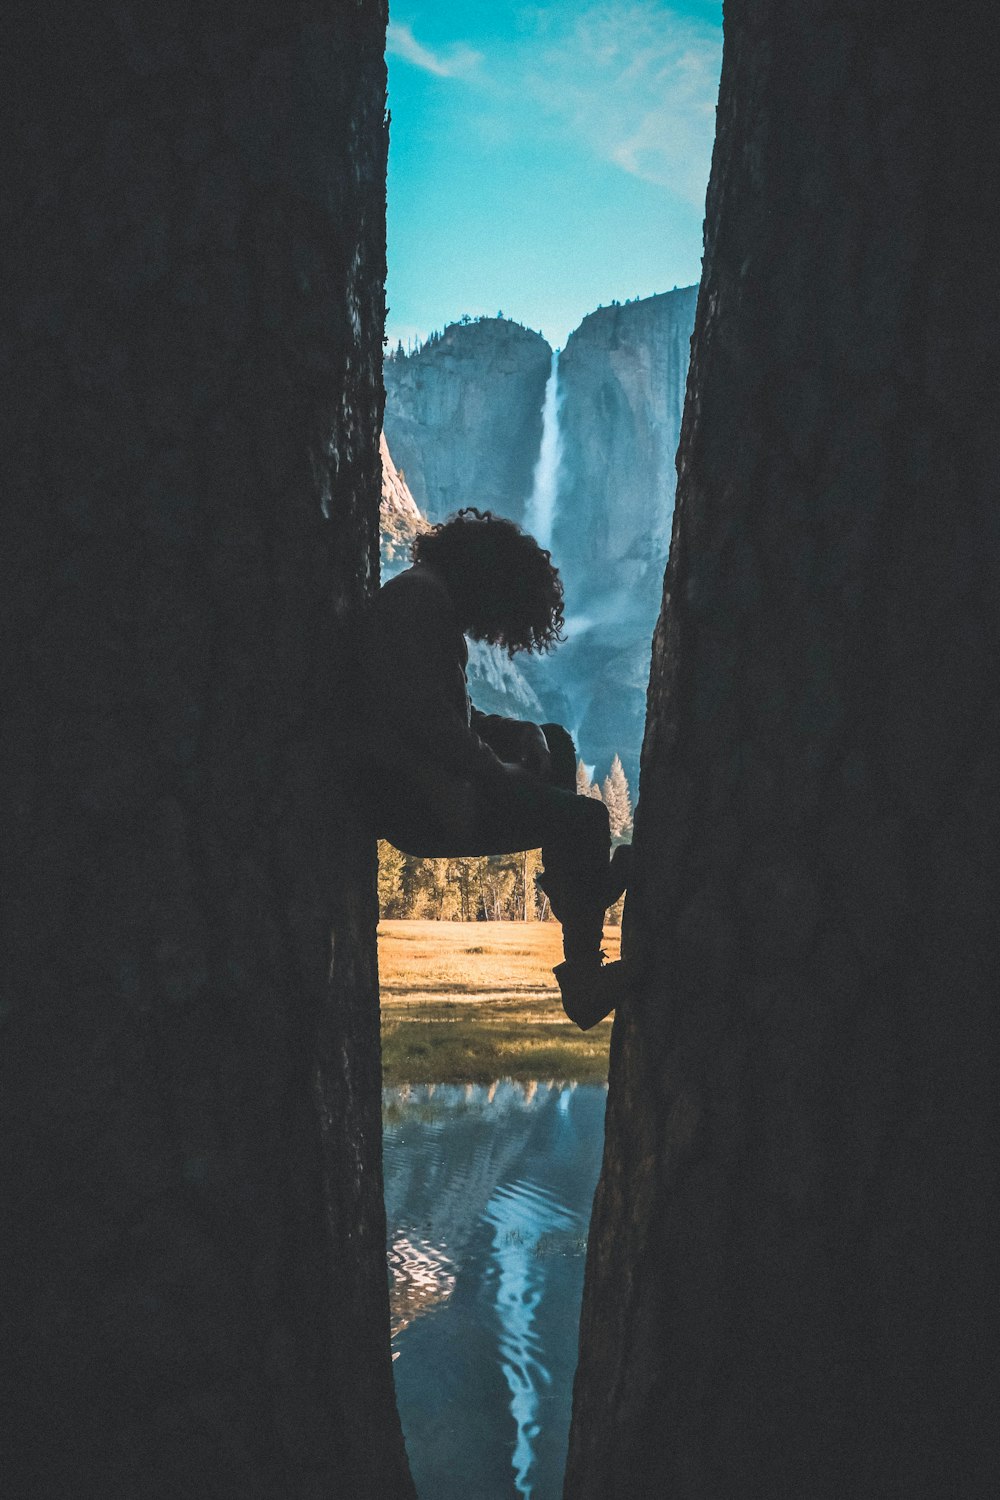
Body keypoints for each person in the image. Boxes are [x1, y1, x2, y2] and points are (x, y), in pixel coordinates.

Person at [362, 508, 631, 1029]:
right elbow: (429, 724)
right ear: (493, 583)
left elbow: (447, 711)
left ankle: (582, 891)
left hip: (430, 790)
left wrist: (517, 734)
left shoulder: (424, 596)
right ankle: (583, 974)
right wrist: (496, 773)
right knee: (587, 820)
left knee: (553, 740)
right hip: (427, 805)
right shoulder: (423, 603)